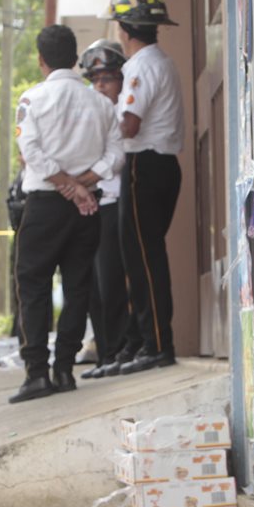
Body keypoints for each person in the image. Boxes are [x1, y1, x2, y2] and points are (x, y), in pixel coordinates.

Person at [10, 24, 123, 403]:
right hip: (88, 206)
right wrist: (81, 185)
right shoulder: (102, 104)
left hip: (45, 205)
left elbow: (32, 155)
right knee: (78, 286)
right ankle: (64, 368)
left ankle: (37, 372)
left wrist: (65, 184)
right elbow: (116, 157)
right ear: (75, 58)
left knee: (33, 285)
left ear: (41, 60)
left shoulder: (31, 100)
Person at [104, 0, 185, 375]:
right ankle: (142, 342)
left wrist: (101, 125)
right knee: (141, 256)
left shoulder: (139, 66)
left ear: (124, 28)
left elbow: (130, 125)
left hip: (144, 166)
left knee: (143, 260)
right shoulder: (160, 62)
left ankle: (155, 344)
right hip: (159, 166)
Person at [77, 39, 141, 379]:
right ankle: (105, 352)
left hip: (117, 202)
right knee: (95, 286)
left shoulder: (125, 111)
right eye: (95, 80)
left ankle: (118, 350)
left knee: (115, 282)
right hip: (93, 204)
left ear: (121, 80)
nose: (101, 86)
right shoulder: (91, 115)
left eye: (108, 79)